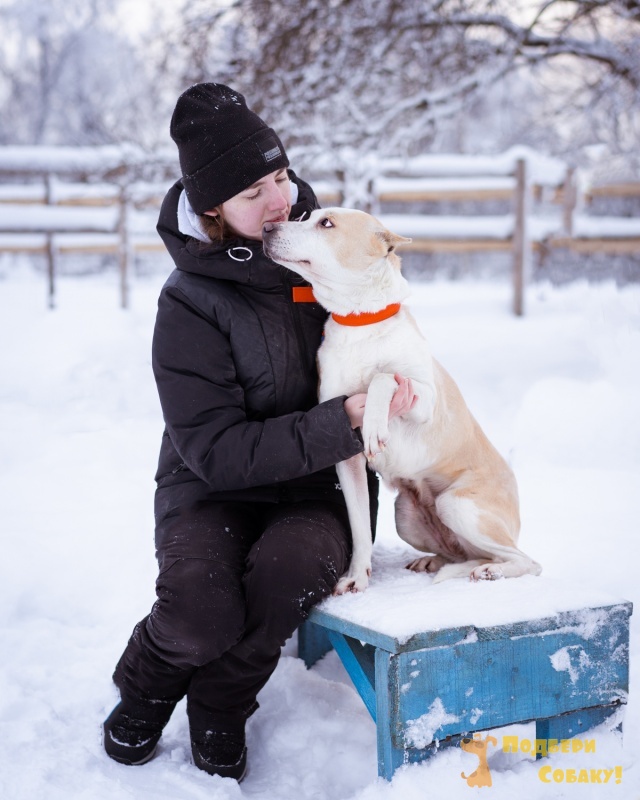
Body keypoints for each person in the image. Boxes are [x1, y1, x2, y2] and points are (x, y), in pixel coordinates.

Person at [102, 83, 415, 782]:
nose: (279, 200)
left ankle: (221, 701)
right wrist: (341, 419)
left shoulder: (329, 251)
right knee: (199, 612)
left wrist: (398, 383)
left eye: (280, 176)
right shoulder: (189, 301)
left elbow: (389, 332)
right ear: (212, 209)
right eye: (253, 192)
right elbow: (213, 450)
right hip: (210, 484)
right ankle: (149, 681)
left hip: (320, 485)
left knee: (285, 577)